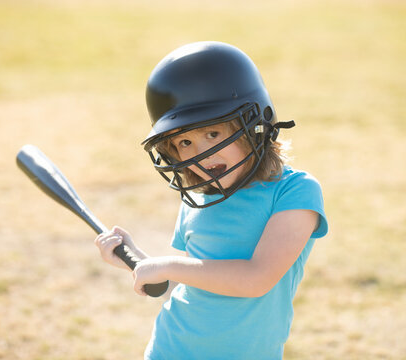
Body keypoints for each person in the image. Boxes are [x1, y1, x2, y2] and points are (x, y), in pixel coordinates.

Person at [95, 41, 328, 360]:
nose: (200, 153)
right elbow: (186, 282)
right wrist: (137, 260)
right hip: (169, 350)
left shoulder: (294, 191)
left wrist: (165, 265)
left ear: (254, 125)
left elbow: (256, 279)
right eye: (185, 141)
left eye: (213, 134)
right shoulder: (196, 198)